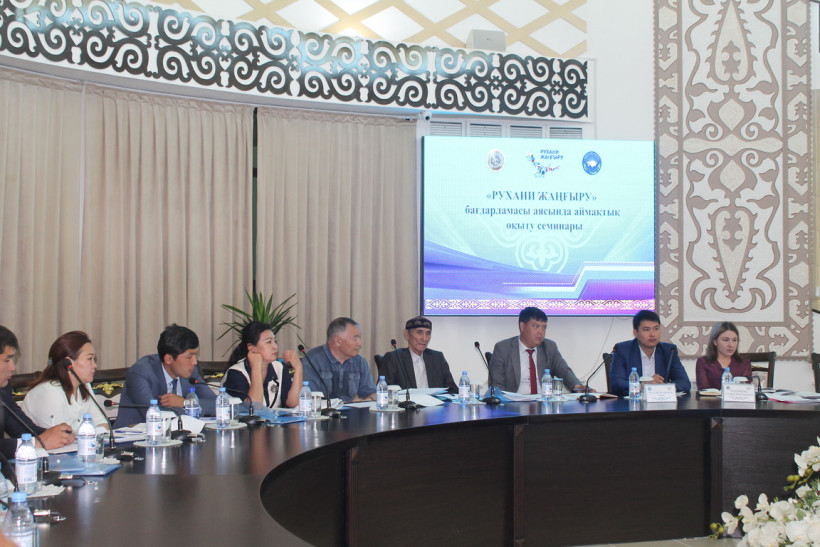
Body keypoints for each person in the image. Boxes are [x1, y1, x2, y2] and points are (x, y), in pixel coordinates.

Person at [114, 324, 216, 427]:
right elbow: (154, 415)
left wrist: (185, 403)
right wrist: (190, 407)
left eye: (195, 355)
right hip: (133, 435)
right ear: (169, 359)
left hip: (180, 434)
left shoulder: (191, 372)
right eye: (189, 357)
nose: (194, 362)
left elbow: (216, 405)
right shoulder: (141, 373)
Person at [0, 326, 74, 458]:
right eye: (7, 360)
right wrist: (38, 442)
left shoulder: (3, 389)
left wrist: (57, 436)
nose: (12, 367)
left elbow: (21, 428)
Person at [21, 331, 108, 432]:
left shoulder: (85, 386)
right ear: (68, 363)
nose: (95, 365)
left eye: (94, 359)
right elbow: (61, 436)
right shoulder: (48, 392)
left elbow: (103, 425)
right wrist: (90, 434)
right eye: (89, 359)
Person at [489, 307, 584, 394]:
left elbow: (563, 370)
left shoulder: (549, 347)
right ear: (522, 326)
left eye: (544, 327)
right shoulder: (503, 348)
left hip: (544, 401)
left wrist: (577, 386)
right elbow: (497, 386)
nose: (541, 332)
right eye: (536, 326)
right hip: (513, 404)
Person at [610, 309, 691, 396]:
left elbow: (684, 382)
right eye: (646, 330)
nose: (652, 334)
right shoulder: (623, 350)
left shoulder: (669, 351)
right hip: (633, 403)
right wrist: (643, 385)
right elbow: (617, 384)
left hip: (661, 401)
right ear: (635, 333)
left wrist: (664, 386)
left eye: (656, 329)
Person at [222, 321, 303, 408]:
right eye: (269, 342)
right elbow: (254, 408)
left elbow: (293, 403)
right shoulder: (236, 373)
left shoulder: (279, 367)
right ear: (252, 348)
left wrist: (298, 367)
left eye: (275, 341)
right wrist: (256, 368)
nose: (275, 347)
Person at [301, 317, 376, 402]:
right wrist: (344, 404)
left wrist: (370, 399)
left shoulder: (359, 362)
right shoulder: (313, 360)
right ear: (338, 341)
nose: (359, 343)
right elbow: (310, 397)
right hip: (322, 409)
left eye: (359, 339)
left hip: (351, 409)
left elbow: (371, 392)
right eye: (355, 339)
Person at [378, 316, 458, 394]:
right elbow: (383, 391)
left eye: (428, 333)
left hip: (435, 402)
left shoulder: (437, 358)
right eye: (419, 332)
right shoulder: (394, 358)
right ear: (407, 334)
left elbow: (453, 389)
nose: (424, 338)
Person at [695, 322, 752, 390]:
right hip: (711, 397)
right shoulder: (703, 362)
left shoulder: (744, 363)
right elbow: (703, 389)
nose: (731, 345)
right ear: (715, 341)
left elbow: (746, 388)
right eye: (725, 340)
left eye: (734, 340)